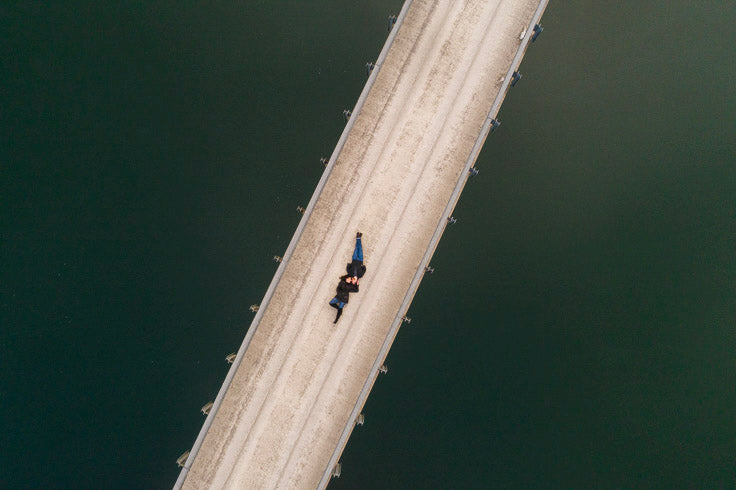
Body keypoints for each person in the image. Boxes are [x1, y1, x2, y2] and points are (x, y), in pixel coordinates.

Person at [328, 232, 367, 323]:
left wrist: (349, 266)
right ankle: (358, 238)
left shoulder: (349, 274)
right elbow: (364, 271)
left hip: (354, 261)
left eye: (352, 280)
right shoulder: (360, 275)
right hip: (360, 261)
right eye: (353, 279)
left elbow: (346, 274)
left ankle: (358, 238)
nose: (353, 279)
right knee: (359, 249)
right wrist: (362, 268)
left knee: (356, 250)